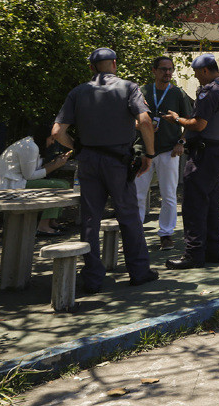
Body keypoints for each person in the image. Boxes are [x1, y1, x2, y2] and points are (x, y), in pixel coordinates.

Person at [52, 48, 159, 292]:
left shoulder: (78, 92)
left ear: (91, 68)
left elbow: (57, 132)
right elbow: (144, 121)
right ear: (114, 64)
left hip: (88, 162)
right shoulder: (129, 87)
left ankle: (92, 277)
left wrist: (78, 147)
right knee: (129, 216)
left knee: (90, 219)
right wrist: (149, 154)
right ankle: (139, 272)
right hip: (118, 162)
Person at [164, 53, 219, 270]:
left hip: (205, 154)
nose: (197, 78)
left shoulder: (211, 91)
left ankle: (193, 254)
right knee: (212, 201)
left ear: (205, 71)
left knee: (195, 204)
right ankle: (214, 251)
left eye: (197, 74)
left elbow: (198, 124)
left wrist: (177, 119)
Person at [133, 56, 193, 250]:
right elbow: (128, 120)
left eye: (170, 69)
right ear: (154, 71)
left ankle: (166, 234)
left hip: (169, 151)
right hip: (142, 150)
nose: (167, 73)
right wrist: (143, 126)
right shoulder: (141, 91)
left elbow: (191, 122)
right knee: (139, 194)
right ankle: (135, 234)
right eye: (163, 69)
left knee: (168, 194)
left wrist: (181, 142)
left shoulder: (178, 93)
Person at [0, 123, 74, 235]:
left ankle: (52, 221)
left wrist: (55, 163)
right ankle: (43, 226)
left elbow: (35, 170)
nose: (52, 142)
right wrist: (55, 166)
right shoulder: (30, 147)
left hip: (19, 182)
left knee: (64, 183)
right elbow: (30, 176)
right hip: (10, 186)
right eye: (51, 139)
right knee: (59, 186)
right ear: (44, 136)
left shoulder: (33, 145)